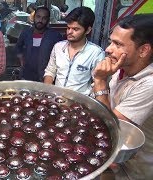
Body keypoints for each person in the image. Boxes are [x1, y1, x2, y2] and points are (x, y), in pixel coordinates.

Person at [92, 14, 153, 179]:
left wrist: (100, 81)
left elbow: (112, 129)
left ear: (143, 50)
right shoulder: (121, 69)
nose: (108, 49)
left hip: (135, 171)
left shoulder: (149, 85)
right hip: (115, 161)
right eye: (111, 41)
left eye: (118, 44)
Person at [43, 6, 105, 95]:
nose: (69, 32)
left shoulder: (96, 53)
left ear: (87, 30)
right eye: (68, 28)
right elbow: (50, 72)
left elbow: (97, 83)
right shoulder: (58, 47)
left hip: (79, 103)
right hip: (56, 99)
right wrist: (47, 92)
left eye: (75, 29)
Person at [16, 6, 62, 82]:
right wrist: (22, 62)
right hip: (27, 76)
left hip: (45, 78)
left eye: (44, 18)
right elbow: (18, 48)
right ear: (34, 18)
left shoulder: (54, 36)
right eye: (38, 17)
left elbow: (60, 56)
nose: (40, 20)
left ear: (48, 20)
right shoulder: (26, 33)